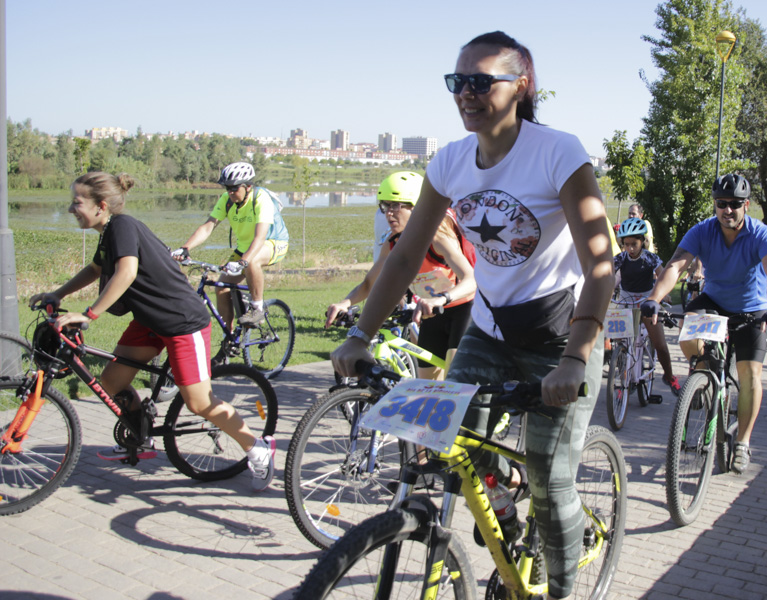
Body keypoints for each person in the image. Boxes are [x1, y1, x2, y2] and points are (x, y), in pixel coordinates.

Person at [330, 31, 613, 600]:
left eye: (481, 81)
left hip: (560, 338)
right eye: (457, 81)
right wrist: (361, 334)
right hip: (488, 330)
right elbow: (407, 253)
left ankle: (559, 589)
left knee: (552, 481)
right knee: (456, 450)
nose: (466, 92)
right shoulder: (451, 159)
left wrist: (575, 358)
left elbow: (602, 266)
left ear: (521, 86)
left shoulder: (558, 152)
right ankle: (511, 532)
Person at [29, 172, 276, 490]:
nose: (70, 208)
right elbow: (96, 269)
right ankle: (140, 433)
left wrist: (90, 314)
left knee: (199, 403)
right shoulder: (109, 234)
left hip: (182, 322)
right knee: (111, 382)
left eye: (77, 202)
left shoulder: (123, 227)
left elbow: (126, 272)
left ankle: (256, 448)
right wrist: (58, 295)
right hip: (150, 321)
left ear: (101, 205)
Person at [640, 173, 767, 475]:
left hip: (752, 309)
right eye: (722, 203)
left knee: (750, 375)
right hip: (714, 302)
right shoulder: (702, 231)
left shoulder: (762, 235)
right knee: (689, 337)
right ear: (715, 204)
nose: (728, 210)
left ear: (746, 205)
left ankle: (743, 442)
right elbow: (676, 266)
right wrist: (655, 297)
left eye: (735, 204)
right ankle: (703, 380)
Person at [325, 171, 476, 381]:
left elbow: (471, 279)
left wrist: (441, 298)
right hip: (431, 314)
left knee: (455, 384)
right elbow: (370, 283)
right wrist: (345, 302)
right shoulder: (393, 243)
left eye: (396, 205)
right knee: (427, 388)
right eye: (385, 206)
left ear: (416, 206)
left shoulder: (438, 237)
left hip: (465, 309)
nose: (389, 213)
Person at [173, 162, 289, 330]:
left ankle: (257, 308)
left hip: (272, 243)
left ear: (248, 186)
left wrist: (243, 262)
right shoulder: (227, 200)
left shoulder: (261, 198)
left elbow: (260, 237)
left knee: (252, 260)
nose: (230, 192)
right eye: (227, 188)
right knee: (221, 288)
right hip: (245, 249)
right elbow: (208, 226)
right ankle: (229, 340)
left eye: (234, 188)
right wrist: (186, 248)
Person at [613, 217, 679, 393]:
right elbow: (610, 278)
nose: (630, 249)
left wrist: (664, 295)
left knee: (660, 345)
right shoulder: (619, 259)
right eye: (626, 244)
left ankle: (670, 376)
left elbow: (663, 275)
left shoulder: (650, 258)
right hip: (626, 302)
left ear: (643, 241)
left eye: (634, 244)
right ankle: (623, 378)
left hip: (646, 302)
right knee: (620, 344)